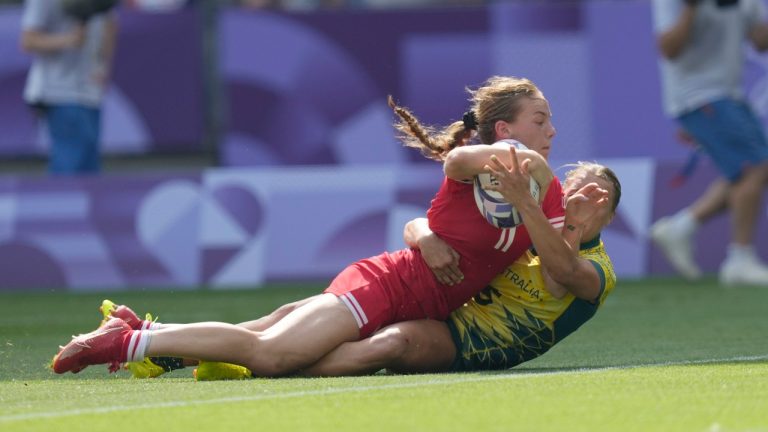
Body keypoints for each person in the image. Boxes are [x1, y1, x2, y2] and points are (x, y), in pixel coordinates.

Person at [51, 76, 567, 376]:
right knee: (274, 354)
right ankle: (125, 342)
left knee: (277, 330)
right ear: (506, 128)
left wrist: (534, 194)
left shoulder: (551, 189)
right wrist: (505, 156)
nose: (551, 130)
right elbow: (456, 165)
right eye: (540, 120)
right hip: (387, 287)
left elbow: (562, 258)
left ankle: (148, 338)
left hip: (416, 303)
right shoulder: (473, 163)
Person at [98, 156, 618, 379]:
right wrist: (426, 235)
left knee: (388, 344)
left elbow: (560, 274)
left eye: (598, 197)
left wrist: (565, 220)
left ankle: (214, 356)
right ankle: (166, 352)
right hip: (438, 298)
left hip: (467, 343)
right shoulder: (526, 224)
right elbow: (436, 225)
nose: (580, 194)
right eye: (577, 183)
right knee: (298, 310)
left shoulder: (598, 269)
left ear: (609, 216)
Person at [649, 0, 768, 286]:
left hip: (730, 92)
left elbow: (761, 41)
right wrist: (692, 7)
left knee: (749, 172)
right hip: (696, 95)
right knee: (754, 168)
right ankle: (739, 259)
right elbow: (669, 49)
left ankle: (682, 226)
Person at [20, 0, 118, 175]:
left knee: (89, 165)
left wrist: (103, 65)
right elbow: (28, 40)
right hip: (59, 90)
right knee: (70, 165)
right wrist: (68, 40)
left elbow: (109, 22)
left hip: (90, 91)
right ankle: (58, 202)